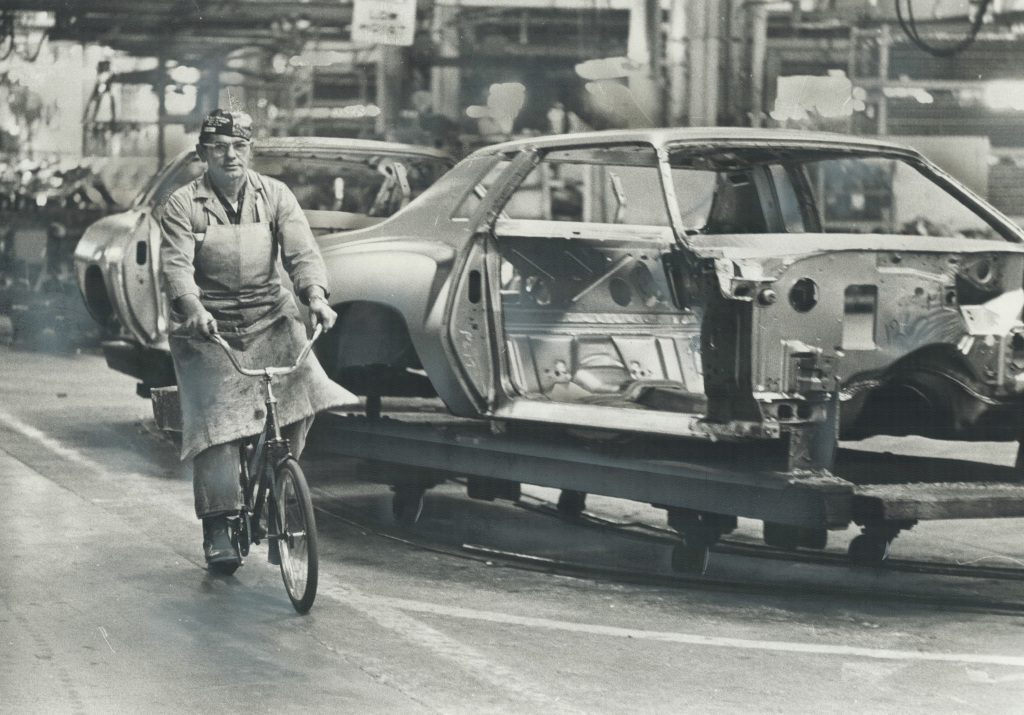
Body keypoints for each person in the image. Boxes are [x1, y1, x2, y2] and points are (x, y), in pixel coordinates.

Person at [159, 108, 357, 573]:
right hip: (206, 327)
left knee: (302, 395)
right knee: (217, 425)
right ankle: (219, 526)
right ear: (204, 154)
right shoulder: (183, 205)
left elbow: (303, 253)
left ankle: (277, 488)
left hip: (271, 316)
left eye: (240, 147)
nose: (231, 156)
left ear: (250, 150)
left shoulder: (275, 196)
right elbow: (175, 269)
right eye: (220, 148)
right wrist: (195, 309)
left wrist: (316, 297)